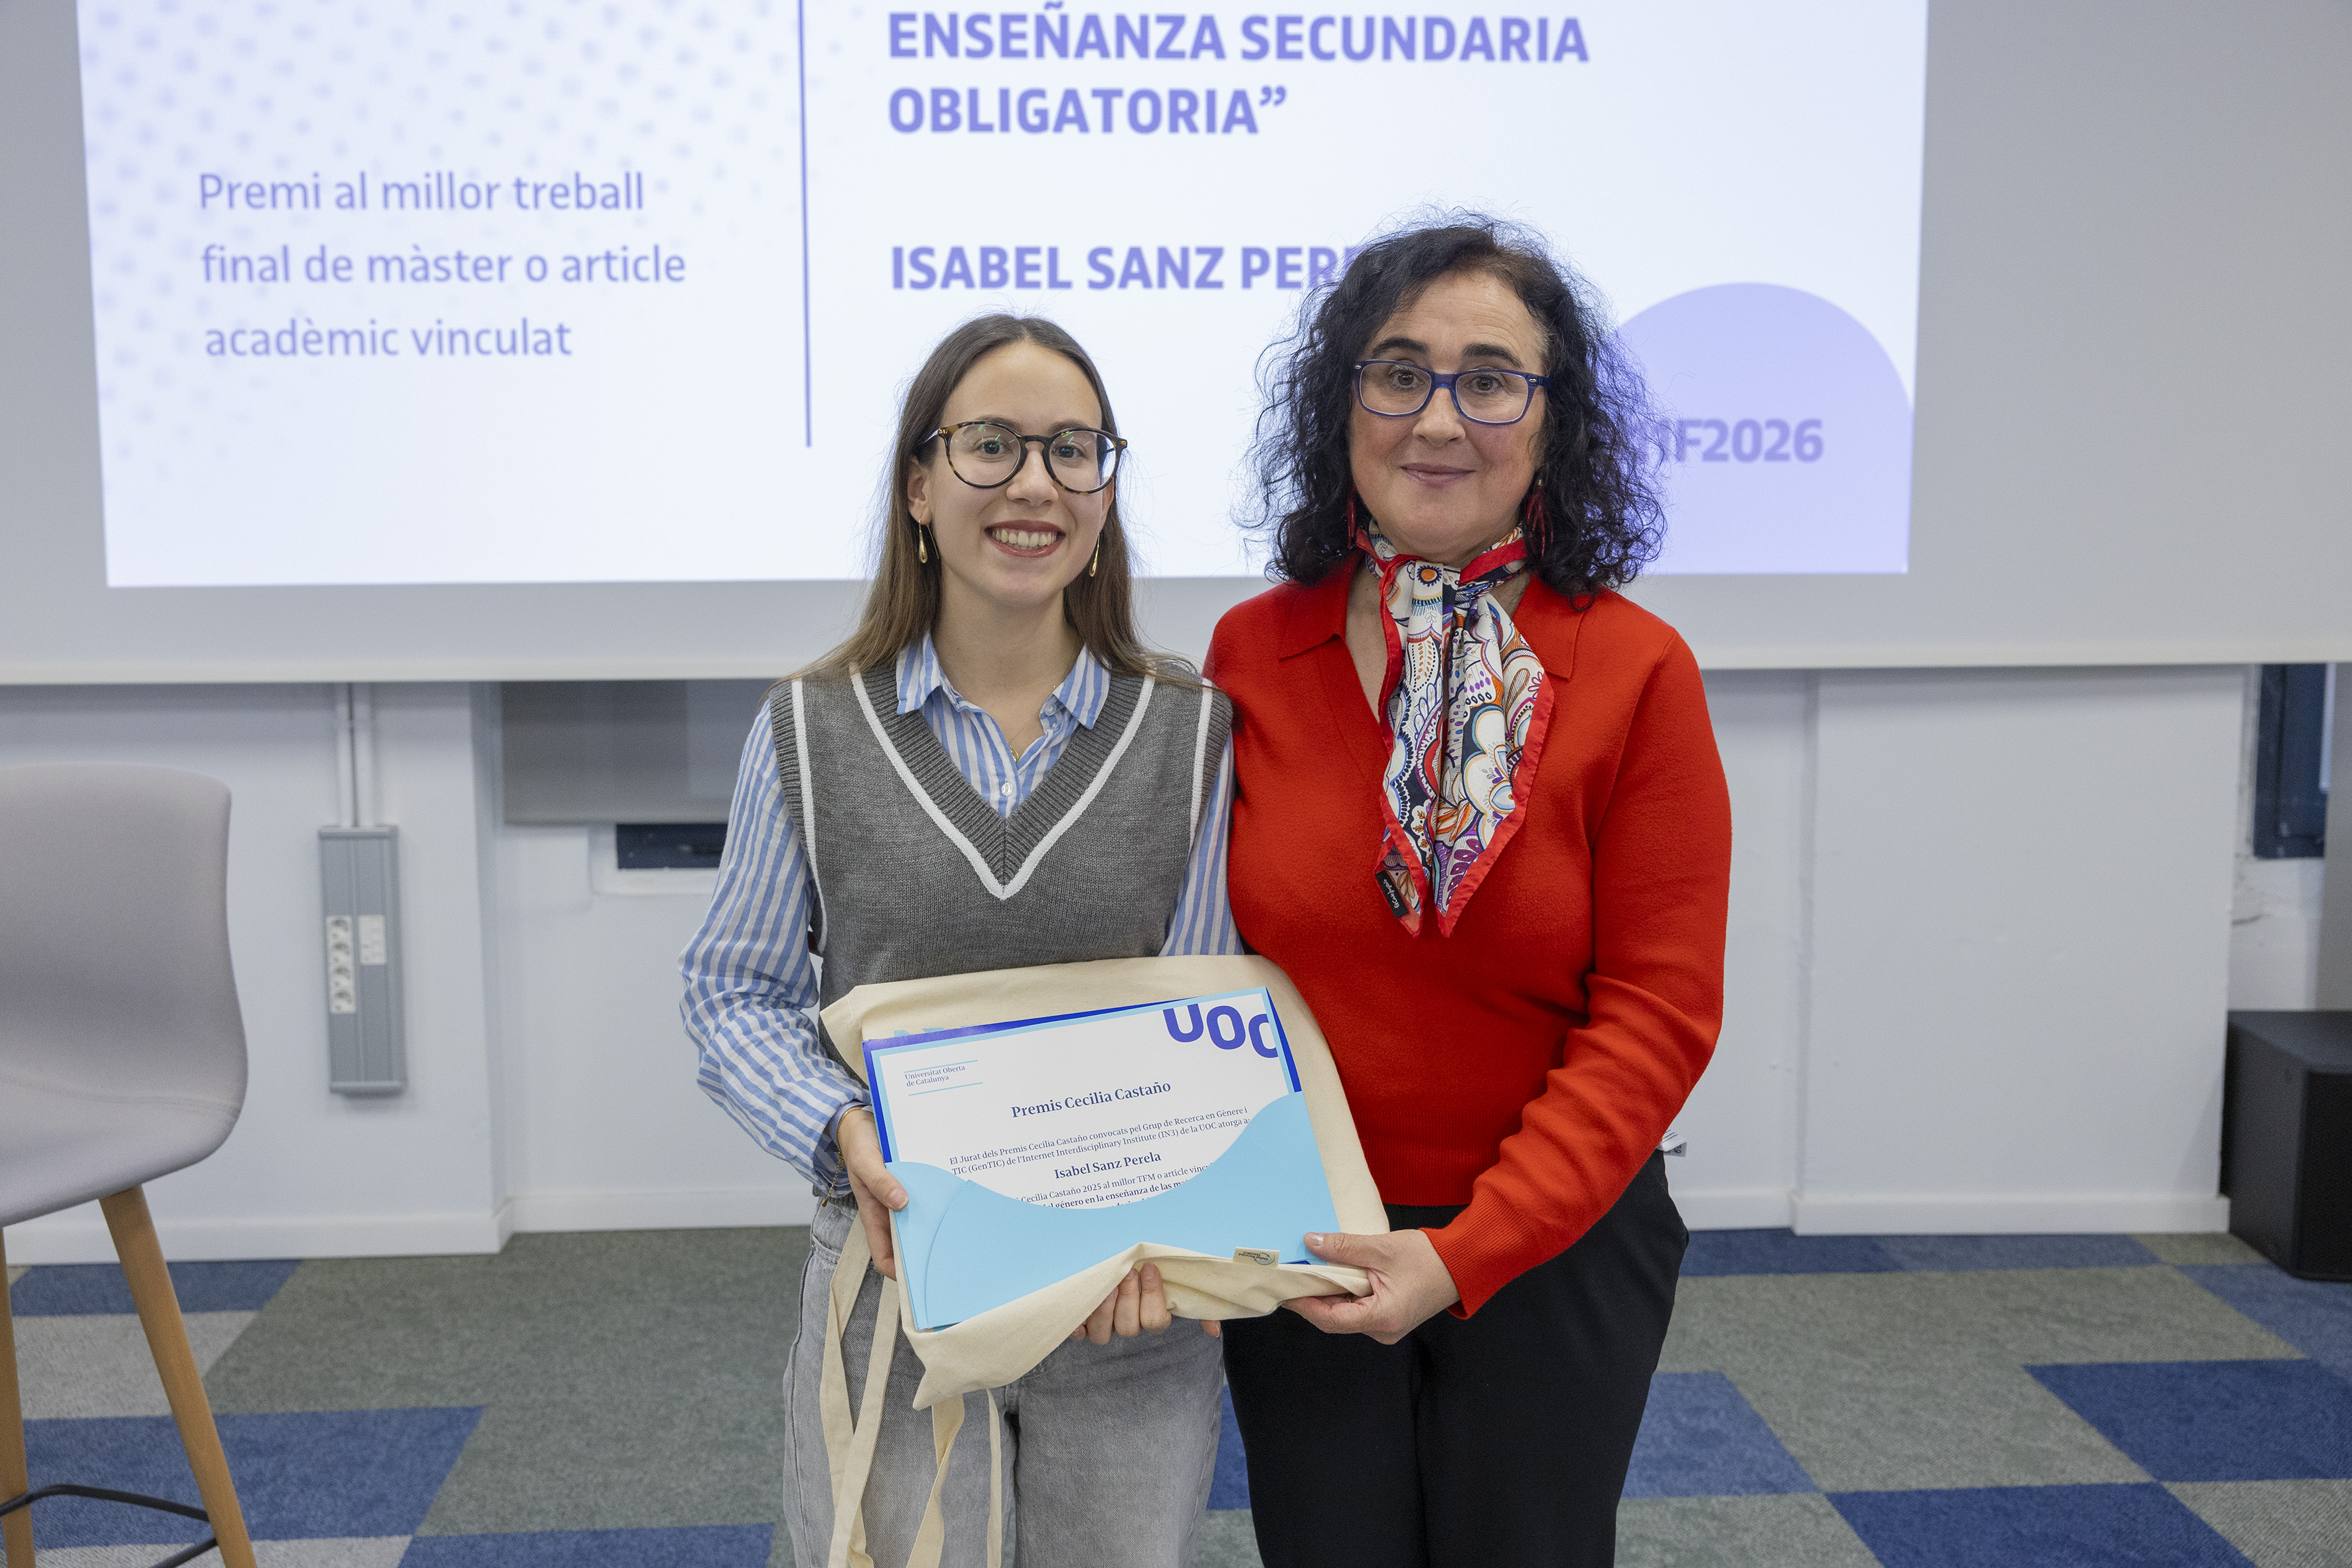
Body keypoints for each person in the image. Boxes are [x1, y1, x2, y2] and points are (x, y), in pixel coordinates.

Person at [1206, 219, 1733, 1567]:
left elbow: (1657, 1013)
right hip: (1306, 1229)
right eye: (1397, 372)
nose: (1438, 416)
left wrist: (1468, 1248)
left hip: (1559, 1237)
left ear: (1551, 425)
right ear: (1342, 406)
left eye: (1489, 377)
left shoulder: (1633, 669)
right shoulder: (1252, 650)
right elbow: (1200, 963)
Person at [679, 314, 1239, 1568]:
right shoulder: (807, 734)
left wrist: (1178, 1220)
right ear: (919, 487)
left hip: (1122, 1297)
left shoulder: (1194, 735)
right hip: (897, 1282)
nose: (1034, 483)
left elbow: (1199, 1015)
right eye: (991, 446)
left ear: (1105, 494)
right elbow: (734, 994)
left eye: (1073, 451)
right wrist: (844, 1133)